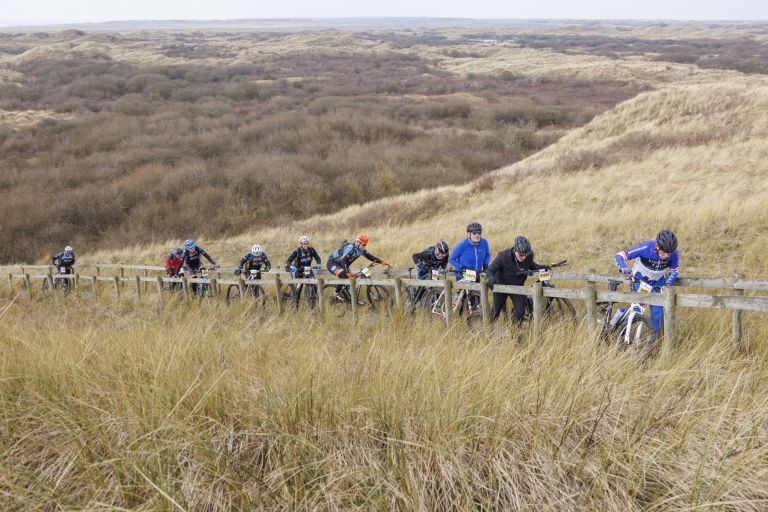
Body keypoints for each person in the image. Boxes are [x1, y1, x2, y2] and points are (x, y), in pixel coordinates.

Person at [613, 229, 680, 338]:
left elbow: (674, 271)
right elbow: (619, 256)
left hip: (658, 284)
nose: (665, 256)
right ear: (657, 246)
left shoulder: (673, 254)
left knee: (657, 315)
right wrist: (623, 268)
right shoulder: (646, 247)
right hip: (641, 281)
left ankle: (652, 343)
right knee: (637, 310)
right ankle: (622, 334)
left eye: (668, 254)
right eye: (663, 253)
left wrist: (667, 283)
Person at [487, 236, 550, 323]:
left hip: (518, 287)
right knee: (495, 312)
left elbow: (531, 265)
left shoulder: (529, 256)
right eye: (521, 255)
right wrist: (491, 278)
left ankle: (514, 331)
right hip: (501, 286)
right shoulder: (503, 256)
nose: (524, 257)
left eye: (526, 255)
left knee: (520, 311)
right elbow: (490, 270)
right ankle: (488, 329)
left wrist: (542, 267)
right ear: (515, 249)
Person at [326, 233, 389, 299]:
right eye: (363, 245)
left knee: (352, 279)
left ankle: (352, 298)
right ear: (358, 242)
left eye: (365, 245)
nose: (364, 247)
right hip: (333, 263)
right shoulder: (350, 248)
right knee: (343, 275)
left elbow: (370, 256)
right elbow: (343, 259)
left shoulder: (360, 250)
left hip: (343, 264)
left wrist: (381, 262)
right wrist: (347, 272)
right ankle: (336, 293)